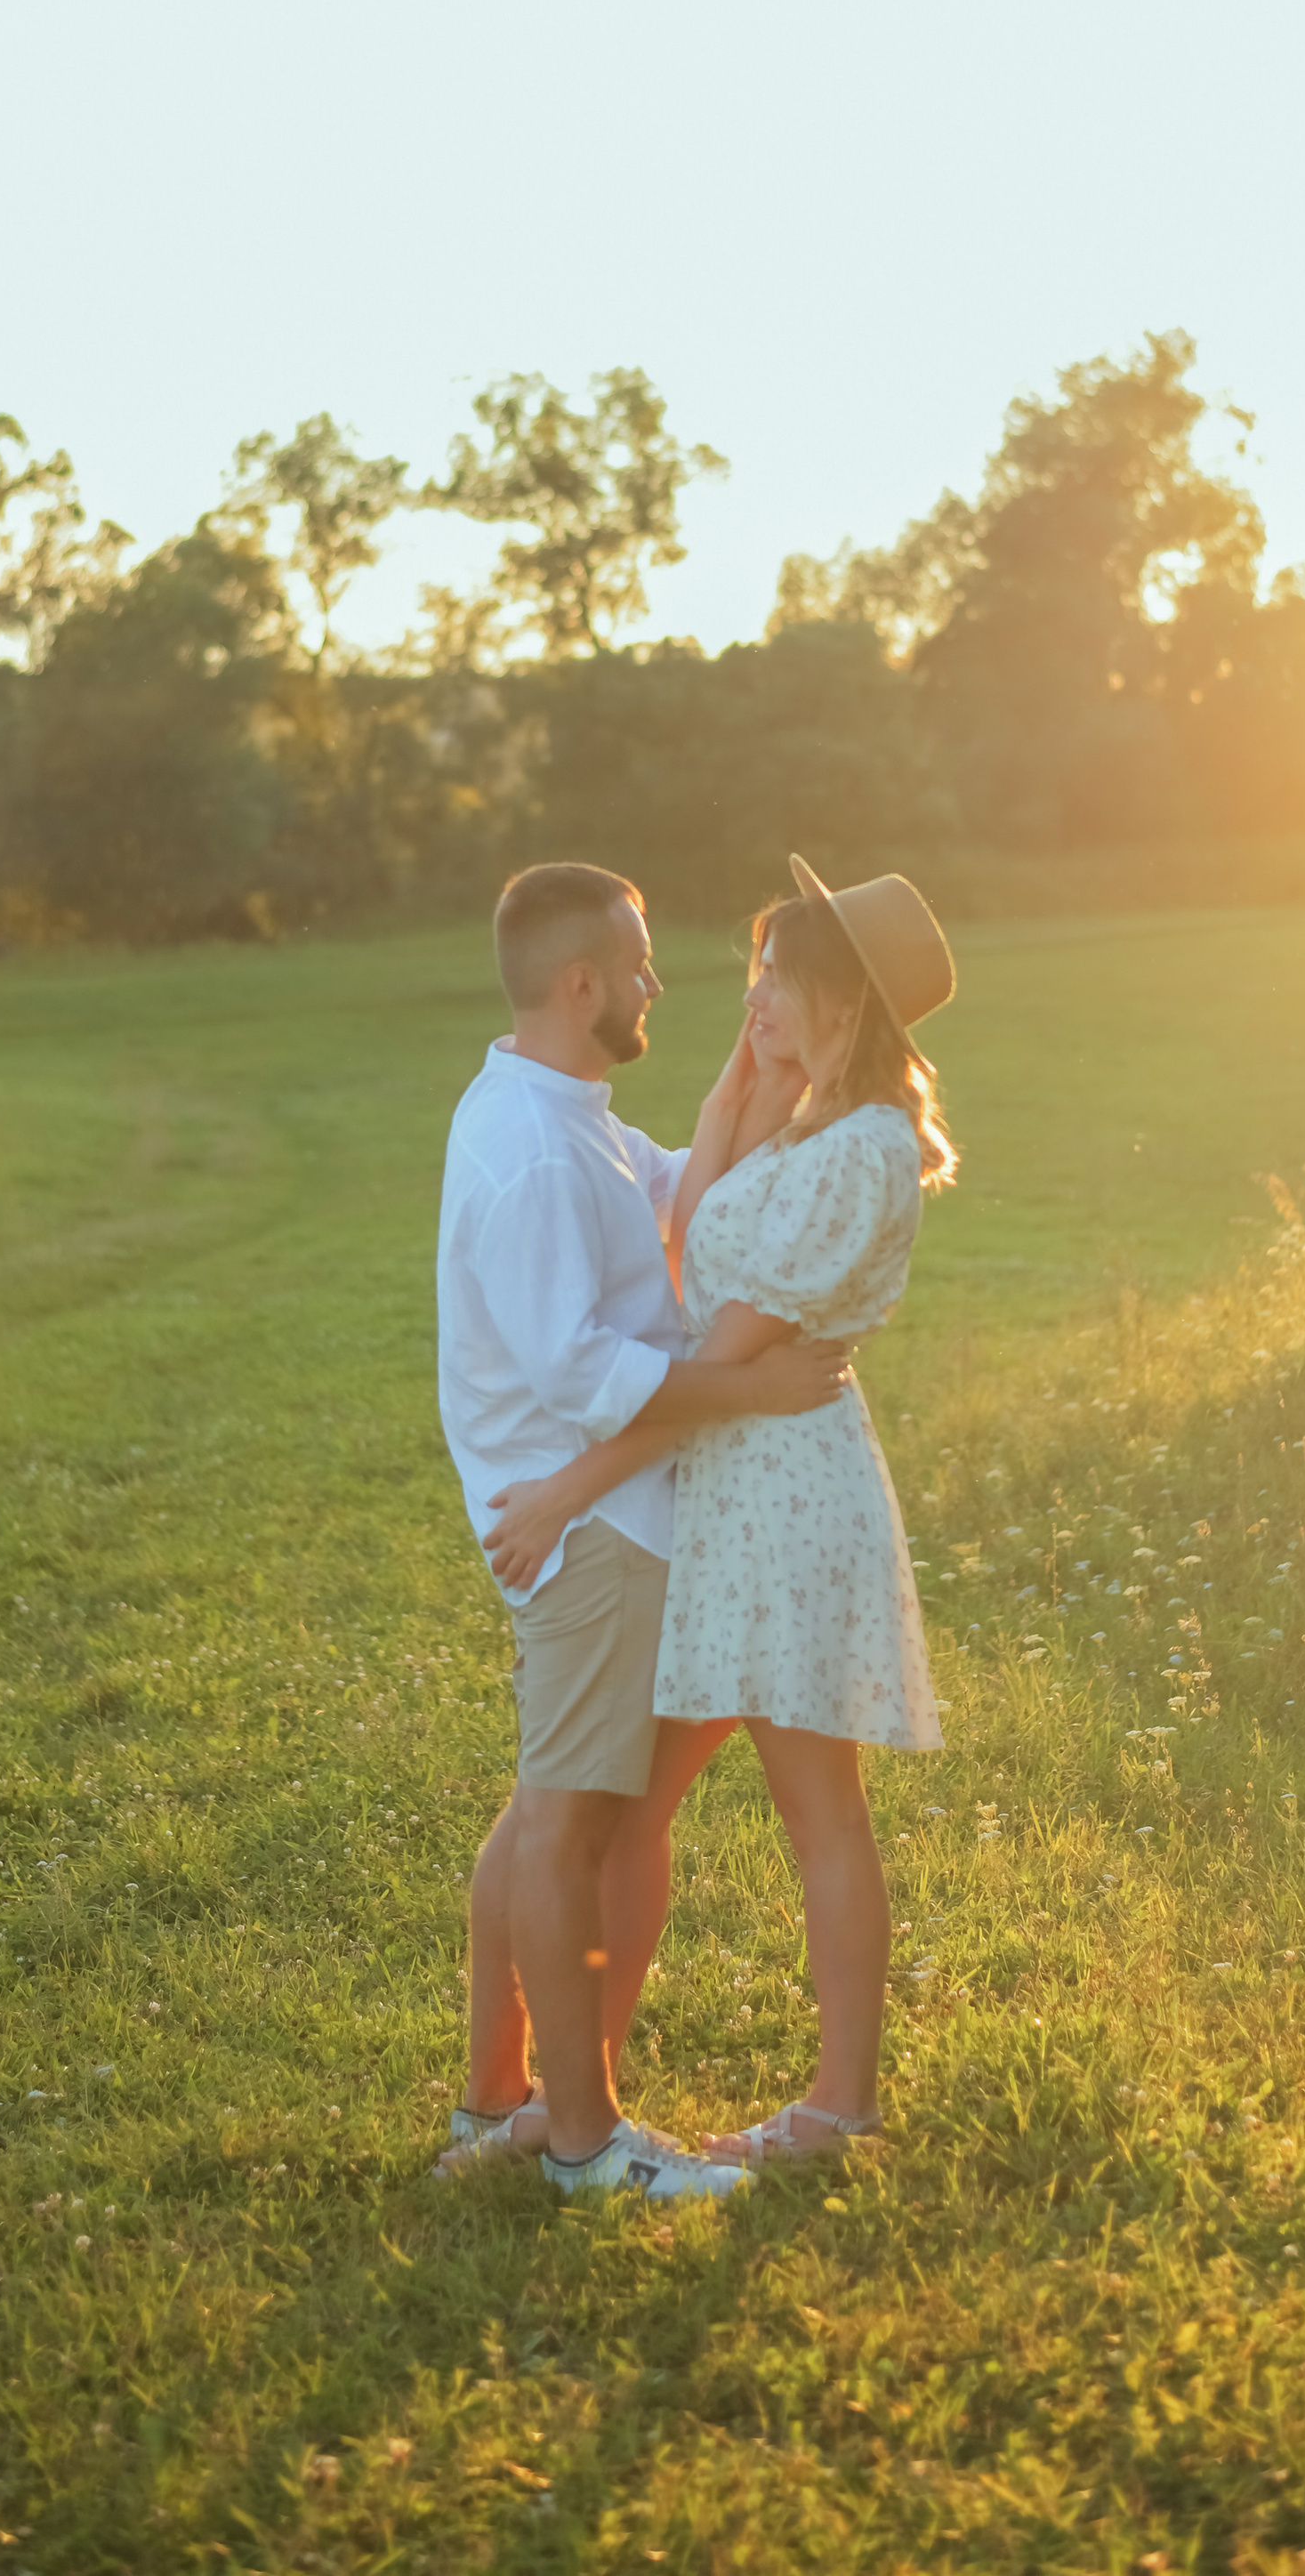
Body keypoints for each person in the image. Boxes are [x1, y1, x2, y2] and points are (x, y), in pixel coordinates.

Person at [483, 853, 954, 2171]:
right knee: (627, 1813)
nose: (748, 998)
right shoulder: (808, 1129)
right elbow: (689, 1240)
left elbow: (728, 1357)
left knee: (820, 1813)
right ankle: (569, 2102)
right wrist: (745, 1085)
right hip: (728, 1497)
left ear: (838, 1005)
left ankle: (837, 2108)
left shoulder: (857, 1154)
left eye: (772, 982)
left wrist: (573, 1484)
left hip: (783, 1497)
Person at [433, 859, 851, 2204]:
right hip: (596, 1526)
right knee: (569, 1829)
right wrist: (755, 1388)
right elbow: (586, 1372)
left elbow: (677, 1199)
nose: (660, 984)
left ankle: (501, 2105)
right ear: (581, 986)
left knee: (547, 1819)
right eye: (642, 963)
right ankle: (583, 2143)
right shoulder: (534, 1156)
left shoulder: (567, 1116)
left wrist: (747, 1083)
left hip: (603, 1514)